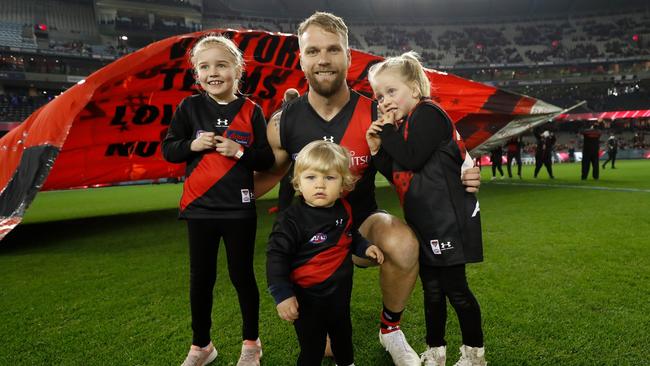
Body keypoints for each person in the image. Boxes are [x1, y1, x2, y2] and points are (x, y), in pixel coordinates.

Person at [253, 12, 482, 366]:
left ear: (348, 55)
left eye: (333, 49)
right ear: (301, 58)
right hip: (309, 239)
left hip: (360, 224)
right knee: (325, 347)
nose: (324, 59)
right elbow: (269, 174)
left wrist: (466, 173)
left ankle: (390, 329)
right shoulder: (284, 121)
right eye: (313, 51)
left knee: (404, 243)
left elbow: (422, 157)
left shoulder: (377, 113)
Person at [367, 51, 486, 366]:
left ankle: (475, 355)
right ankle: (436, 350)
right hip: (425, 222)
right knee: (432, 291)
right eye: (379, 95)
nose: (384, 100)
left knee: (456, 290)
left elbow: (412, 157)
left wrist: (388, 129)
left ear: (415, 90)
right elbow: (396, 171)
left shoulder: (428, 113)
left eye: (392, 91)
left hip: (448, 220)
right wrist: (377, 148)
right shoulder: (405, 125)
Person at [161, 35, 275, 366]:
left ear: (237, 69)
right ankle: (201, 347)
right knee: (201, 279)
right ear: (196, 73)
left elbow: (266, 159)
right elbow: (169, 149)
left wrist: (238, 152)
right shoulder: (189, 107)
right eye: (204, 66)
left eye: (221, 65)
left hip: (239, 210)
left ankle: (251, 344)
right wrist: (192, 146)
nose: (213, 72)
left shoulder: (252, 110)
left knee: (242, 276)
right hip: (199, 208)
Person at [267, 140, 384, 366]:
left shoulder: (344, 209)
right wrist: (282, 295)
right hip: (306, 298)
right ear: (298, 182)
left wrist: (365, 246)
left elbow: (350, 236)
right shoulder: (290, 220)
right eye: (311, 177)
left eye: (329, 178)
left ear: (343, 184)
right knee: (313, 347)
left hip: (340, 294)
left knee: (343, 335)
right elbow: (276, 258)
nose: (320, 185)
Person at [274, 88, 301, 212]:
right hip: (304, 158)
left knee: (286, 189)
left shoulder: (278, 116)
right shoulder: (307, 113)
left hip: (287, 158)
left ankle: (282, 215)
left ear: (283, 100)